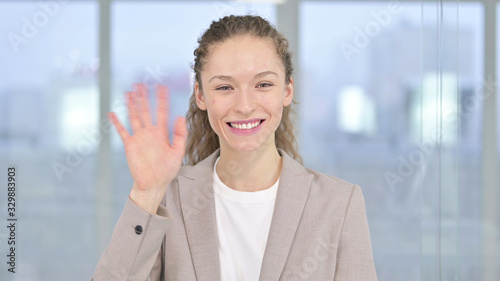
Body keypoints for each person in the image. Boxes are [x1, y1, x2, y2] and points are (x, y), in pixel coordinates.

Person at [92, 15, 377, 281]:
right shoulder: (169, 198)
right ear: (201, 95)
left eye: (263, 84)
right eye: (224, 88)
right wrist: (147, 193)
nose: (244, 106)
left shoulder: (339, 204)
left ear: (287, 90)